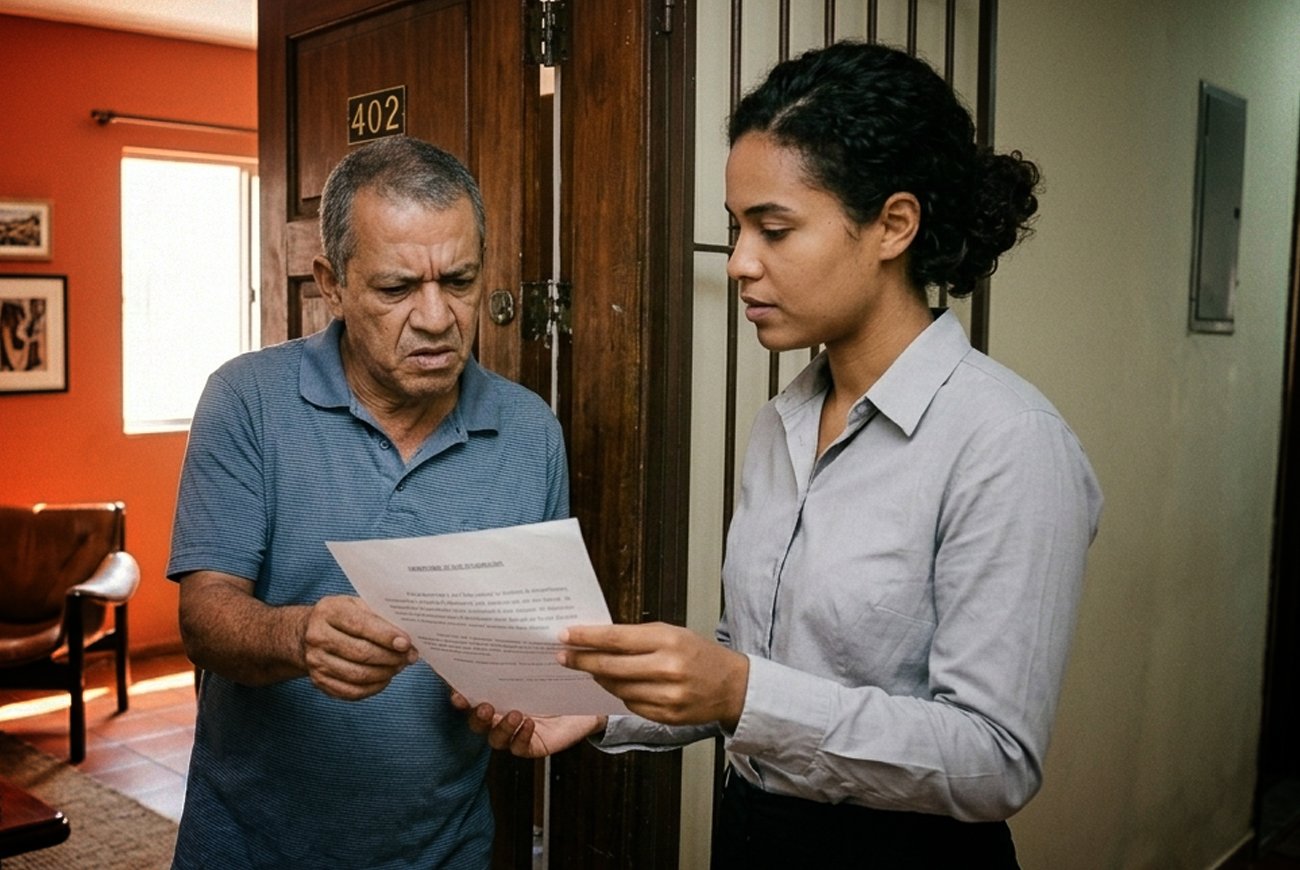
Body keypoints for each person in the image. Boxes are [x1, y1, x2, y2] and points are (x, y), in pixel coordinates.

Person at [459, 41, 1102, 867]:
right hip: (755, 835)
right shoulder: (784, 422)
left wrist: (739, 689)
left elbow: (994, 761)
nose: (739, 264)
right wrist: (601, 708)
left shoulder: (1008, 443)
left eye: (774, 228)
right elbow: (750, 664)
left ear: (892, 226)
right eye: (736, 228)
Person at [168, 135, 569, 869]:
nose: (437, 316)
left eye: (459, 280)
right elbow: (202, 617)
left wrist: (520, 694)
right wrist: (299, 638)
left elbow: (533, 647)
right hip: (251, 848)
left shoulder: (531, 432)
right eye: (395, 289)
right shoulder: (246, 400)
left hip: (444, 851)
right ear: (332, 282)